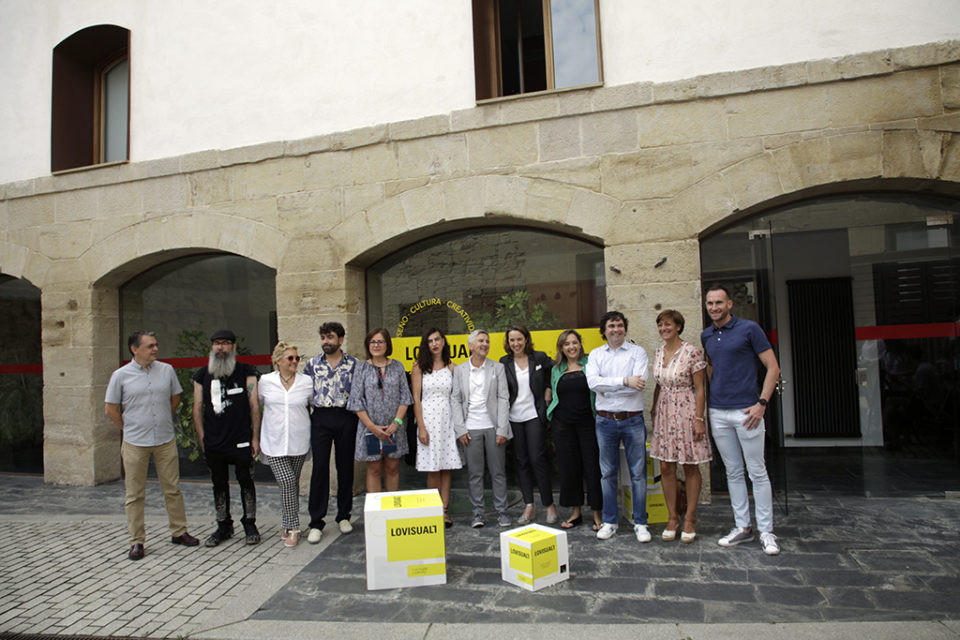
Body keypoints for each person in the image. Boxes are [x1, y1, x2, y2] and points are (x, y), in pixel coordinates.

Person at [702, 284, 782, 555]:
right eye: (710, 303)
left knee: (757, 471)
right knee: (733, 472)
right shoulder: (707, 335)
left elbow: (773, 367)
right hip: (719, 412)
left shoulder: (749, 329)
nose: (714, 307)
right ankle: (743, 528)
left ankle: (766, 531)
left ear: (730, 304)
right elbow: (712, 368)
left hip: (747, 411)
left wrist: (762, 403)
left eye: (719, 303)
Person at [105, 330, 199, 560]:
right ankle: (137, 541)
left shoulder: (166, 370)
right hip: (135, 443)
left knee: (173, 489)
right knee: (135, 494)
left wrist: (163, 419)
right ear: (134, 349)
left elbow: (174, 398)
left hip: (165, 440)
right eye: (149, 346)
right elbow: (111, 409)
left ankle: (179, 532)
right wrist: (128, 428)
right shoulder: (120, 375)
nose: (155, 349)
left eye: (156, 345)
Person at [585, 310, 651, 543]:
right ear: (604, 330)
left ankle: (641, 522)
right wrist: (624, 380)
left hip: (632, 419)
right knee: (608, 473)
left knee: (638, 474)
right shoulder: (595, 355)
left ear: (625, 328)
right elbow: (593, 383)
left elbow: (639, 384)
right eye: (611, 326)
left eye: (620, 325)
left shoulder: (638, 352)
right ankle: (610, 521)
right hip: (605, 420)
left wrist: (609, 385)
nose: (616, 329)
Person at [192, 329, 262, 547]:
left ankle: (249, 524)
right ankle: (223, 525)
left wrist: (255, 438)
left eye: (224, 343)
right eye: (216, 344)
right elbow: (197, 408)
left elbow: (254, 406)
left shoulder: (246, 372)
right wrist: (202, 438)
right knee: (218, 484)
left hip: (240, 438)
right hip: (214, 441)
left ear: (233, 347)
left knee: (246, 482)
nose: (220, 347)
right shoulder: (202, 375)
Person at [650, 310, 711, 543]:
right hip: (665, 411)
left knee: (690, 465)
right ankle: (672, 516)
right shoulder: (658, 352)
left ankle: (690, 518)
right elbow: (658, 384)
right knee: (666, 466)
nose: (664, 328)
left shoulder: (692, 352)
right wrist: (655, 409)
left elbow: (700, 389)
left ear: (678, 327)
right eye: (660, 325)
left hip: (686, 411)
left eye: (668, 324)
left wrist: (699, 419)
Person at [302, 321, 360, 544]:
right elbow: (306, 394)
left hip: (346, 417)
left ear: (341, 340)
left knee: (345, 467)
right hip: (321, 417)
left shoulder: (354, 364)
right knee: (319, 469)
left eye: (330, 337)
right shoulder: (312, 365)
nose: (326, 342)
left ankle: (344, 516)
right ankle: (316, 521)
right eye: (323, 338)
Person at [452, 329, 512, 528]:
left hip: (493, 427)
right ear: (470, 345)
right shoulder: (460, 370)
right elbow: (456, 399)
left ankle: (502, 512)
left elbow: (504, 397)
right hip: (470, 428)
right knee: (475, 474)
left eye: (487, 341)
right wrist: (460, 429)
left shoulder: (498, 368)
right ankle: (477, 513)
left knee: (498, 472)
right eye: (480, 341)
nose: (484, 344)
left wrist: (502, 429)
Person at [500, 325, 556, 525]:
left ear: (526, 339)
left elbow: (556, 370)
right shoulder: (504, 362)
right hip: (514, 418)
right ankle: (529, 505)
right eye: (512, 340)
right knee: (521, 461)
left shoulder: (539, 358)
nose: (516, 343)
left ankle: (549, 504)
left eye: (519, 339)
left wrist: (549, 389)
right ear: (508, 343)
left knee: (537, 459)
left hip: (534, 415)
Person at [258, 341, 312, 547]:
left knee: (291, 485)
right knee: (288, 481)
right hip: (274, 441)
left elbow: (313, 404)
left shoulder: (306, 382)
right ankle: (294, 527)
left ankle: (285, 523)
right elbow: (259, 406)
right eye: (290, 358)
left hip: (299, 441)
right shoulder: (265, 381)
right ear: (278, 360)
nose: (294, 362)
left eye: (297, 358)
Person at [547, 329, 602, 531]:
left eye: (574, 343)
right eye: (567, 344)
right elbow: (552, 393)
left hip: (588, 422)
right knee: (569, 468)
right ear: (562, 348)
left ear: (580, 344)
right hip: (563, 425)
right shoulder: (556, 369)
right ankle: (576, 512)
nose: (571, 347)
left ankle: (598, 513)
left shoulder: (590, 363)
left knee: (592, 468)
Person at [347, 328, 412, 493]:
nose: (376, 345)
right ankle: (376, 513)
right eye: (373, 342)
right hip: (370, 429)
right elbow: (356, 401)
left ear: (387, 344)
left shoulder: (398, 367)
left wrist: (396, 423)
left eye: (380, 341)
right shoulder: (361, 369)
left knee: (392, 468)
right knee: (374, 469)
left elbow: (405, 397)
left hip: (394, 428)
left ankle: (391, 510)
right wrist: (373, 428)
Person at [411, 328, 461, 528]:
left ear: (443, 341)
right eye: (430, 340)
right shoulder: (419, 367)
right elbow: (416, 398)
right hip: (428, 419)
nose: (434, 343)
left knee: (446, 467)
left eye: (437, 339)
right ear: (426, 344)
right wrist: (421, 427)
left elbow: (457, 397)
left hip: (447, 419)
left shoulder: (451, 367)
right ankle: (433, 510)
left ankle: (445, 510)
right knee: (432, 468)